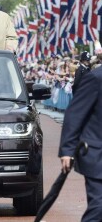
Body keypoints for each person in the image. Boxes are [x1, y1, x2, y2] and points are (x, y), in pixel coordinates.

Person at [59, 65, 102, 221]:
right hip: (97, 155)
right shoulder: (95, 77)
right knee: (99, 209)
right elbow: (75, 114)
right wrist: (67, 150)